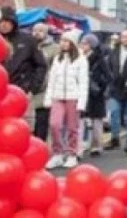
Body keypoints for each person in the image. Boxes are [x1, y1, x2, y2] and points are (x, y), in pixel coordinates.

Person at [0, 6, 47, 130]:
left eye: (7, 21)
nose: (4, 25)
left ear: (13, 23)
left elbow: (41, 65)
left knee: (22, 127)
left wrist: (32, 88)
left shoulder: (28, 40)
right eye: (1, 21)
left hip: (21, 91)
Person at [45, 29, 88, 169]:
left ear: (72, 43)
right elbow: (52, 80)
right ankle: (57, 153)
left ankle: (71, 154)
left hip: (73, 97)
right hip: (57, 96)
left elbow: (83, 82)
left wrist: (81, 102)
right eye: (62, 40)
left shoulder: (81, 59)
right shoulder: (58, 58)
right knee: (54, 124)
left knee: (72, 127)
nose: (63, 43)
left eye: (66, 41)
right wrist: (48, 98)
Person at [80, 33, 112, 158]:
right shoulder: (79, 57)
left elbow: (108, 76)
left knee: (96, 119)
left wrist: (100, 85)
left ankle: (96, 145)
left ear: (91, 45)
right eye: (82, 43)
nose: (82, 46)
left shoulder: (99, 58)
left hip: (96, 92)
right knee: (82, 118)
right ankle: (82, 144)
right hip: (83, 91)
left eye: (85, 43)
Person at [31, 23, 59, 141]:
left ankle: (40, 144)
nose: (37, 33)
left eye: (40, 31)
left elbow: (55, 70)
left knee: (41, 121)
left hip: (44, 90)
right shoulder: (29, 46)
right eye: (35, 30)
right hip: (29, 88)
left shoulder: (55, 49)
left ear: (46, 33)